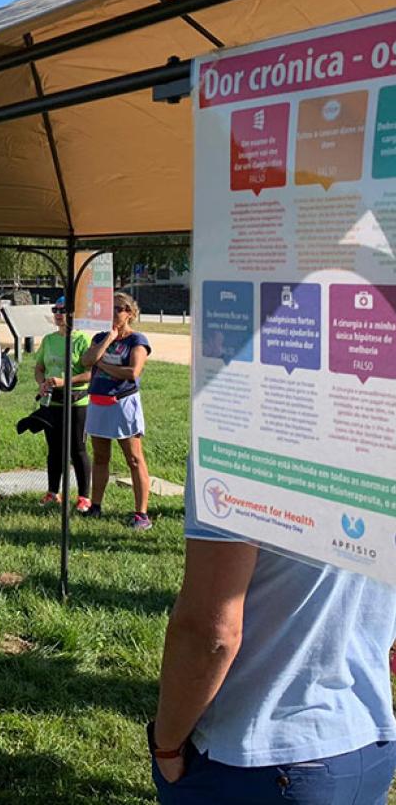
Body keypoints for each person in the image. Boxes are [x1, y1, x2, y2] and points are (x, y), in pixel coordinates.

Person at [151, 469, 396, 804]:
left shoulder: (236, 440)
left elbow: (211, 633)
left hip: (257, 755)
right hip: (368, 741)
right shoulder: (381, 432)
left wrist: (166, 744)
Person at [80, 292, 152, 529]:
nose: (114, 313)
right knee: (100, 457)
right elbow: (87, 360)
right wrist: (108, 339)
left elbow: (133, 372)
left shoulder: (137, 340)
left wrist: (103, 365)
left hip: (122, 403)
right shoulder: (101, 337)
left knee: (133, 458)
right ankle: (96, 505)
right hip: (99, 402)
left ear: (130, 313)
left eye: (119, 309)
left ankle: (141, 514)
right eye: (110, 308)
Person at [32, 295, 92, 509]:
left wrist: (65, 381)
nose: (58, 314)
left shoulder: (82, 340)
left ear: (74, 314)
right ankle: (52, 492)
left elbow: (90, 373)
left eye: (63, 310)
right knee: (54, 450)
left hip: (77, 402)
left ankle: (84, 496)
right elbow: (39, 368)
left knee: (78, 449)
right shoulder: (49, 340)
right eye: (55, 310)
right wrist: (42, 383)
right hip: (52, 402)